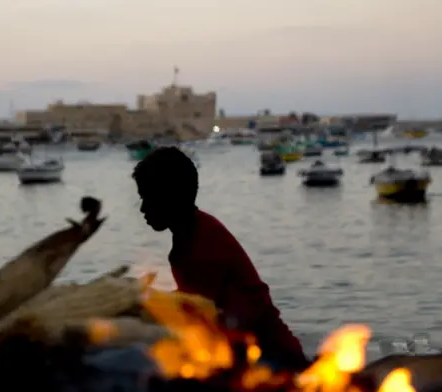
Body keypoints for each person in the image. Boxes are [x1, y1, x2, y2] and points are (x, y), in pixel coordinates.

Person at [132, 146, 310, 372]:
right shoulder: (193, 232)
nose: (143, 208)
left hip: (273, 359)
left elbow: (201, 319)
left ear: (171, 198)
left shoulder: (202, 244)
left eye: (148, 198)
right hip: (251, 350)